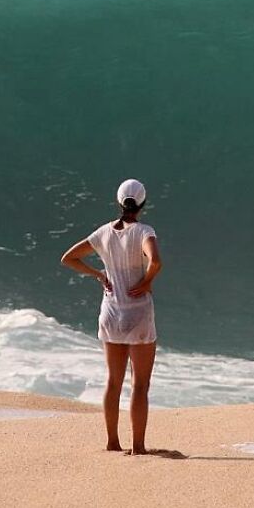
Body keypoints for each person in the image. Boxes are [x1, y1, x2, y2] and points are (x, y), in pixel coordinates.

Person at [61, 179, 162, 455]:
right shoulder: (144, 231)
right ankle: (138, 447)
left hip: (111, 312)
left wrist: (98, 274)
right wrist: (147, 281)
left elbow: (68, 258)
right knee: (140, 384)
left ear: (119, 203)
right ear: (142, 204)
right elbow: (156, 261)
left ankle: (112, 442)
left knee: (112, 381)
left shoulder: (103, 233)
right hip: (138, 314)